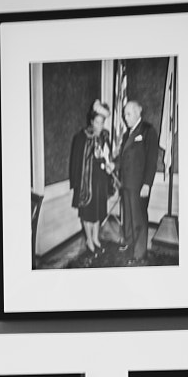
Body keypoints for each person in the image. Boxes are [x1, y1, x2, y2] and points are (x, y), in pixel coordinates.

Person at [68, 101, 115, 261]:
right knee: (88, 213)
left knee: (98, 212)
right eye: (97, 122)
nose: (99, 126)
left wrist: (110, 165)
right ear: (91, 121)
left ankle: (96, 238)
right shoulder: (82, 137)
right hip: (86, 183)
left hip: (101, 181)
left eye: (102, 123)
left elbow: (109, 157)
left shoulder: (105, 136)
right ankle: (89, 240)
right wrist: (75, 183)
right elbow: (75, 162)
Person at [115, 97, 160, 264]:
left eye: (128, 114)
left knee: (139, 219)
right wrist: (113, 165)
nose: (125, 117)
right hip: (126, 183)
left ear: (137, 112)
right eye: (124, 114)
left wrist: (147, 184)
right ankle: (128, 242)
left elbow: (151, 160)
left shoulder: (148, 130)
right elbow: (123, 157)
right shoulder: (128, 133)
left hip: (139, 185)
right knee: (128, 216)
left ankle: (139, 254)